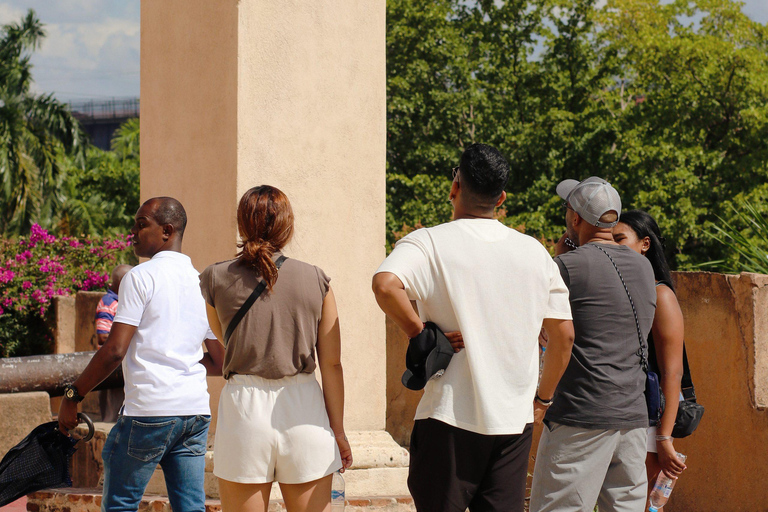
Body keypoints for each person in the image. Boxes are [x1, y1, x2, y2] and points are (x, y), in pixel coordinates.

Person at [372, 143, 575, 512]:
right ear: (502, 198)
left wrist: (420, 332)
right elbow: (564, 336)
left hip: (448, 415)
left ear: (455, 187)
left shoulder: (428, 242)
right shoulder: (534, 252)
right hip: (512, 421)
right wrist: (542, 401)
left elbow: (386, 285)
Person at [58, 197, 224, 512]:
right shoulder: (202, 283)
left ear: (167, 231)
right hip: (194, 413)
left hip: (150, 412)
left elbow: (114, 350)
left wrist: (73, 395)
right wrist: (176, 360)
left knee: (121, 505)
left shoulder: (140, 277)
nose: (132, 232)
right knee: (191, 507)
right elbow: (220, 361)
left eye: (141, 224)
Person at [199, 185, 352, 512]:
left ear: (242, 224)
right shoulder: (316, 279)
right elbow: (332, 364)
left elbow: (224, 337)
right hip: (304, 407)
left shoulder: (214, 278)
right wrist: (338, 431)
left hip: (244, 409)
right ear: (288, 226)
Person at [530, 177, 657, 512]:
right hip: (632, 418)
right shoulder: (643, 267)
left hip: (580, 417)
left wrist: (543, 399)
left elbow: (557, 335)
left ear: (575, 218)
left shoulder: (566, 267)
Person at [613, 210, 687, 503]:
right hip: (623, 409)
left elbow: (673, 371)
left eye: (620, 239)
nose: (613, 246)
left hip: (651, 416)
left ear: (645, 244)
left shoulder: (661, 295)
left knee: (645, 503)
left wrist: (663, 437)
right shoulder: (624, 290)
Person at [94, 264, 132, 422]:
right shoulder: (109, 303)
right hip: (111, 364)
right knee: (112, 415)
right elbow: (102, 336)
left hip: (120, 363)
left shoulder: (123, 302)